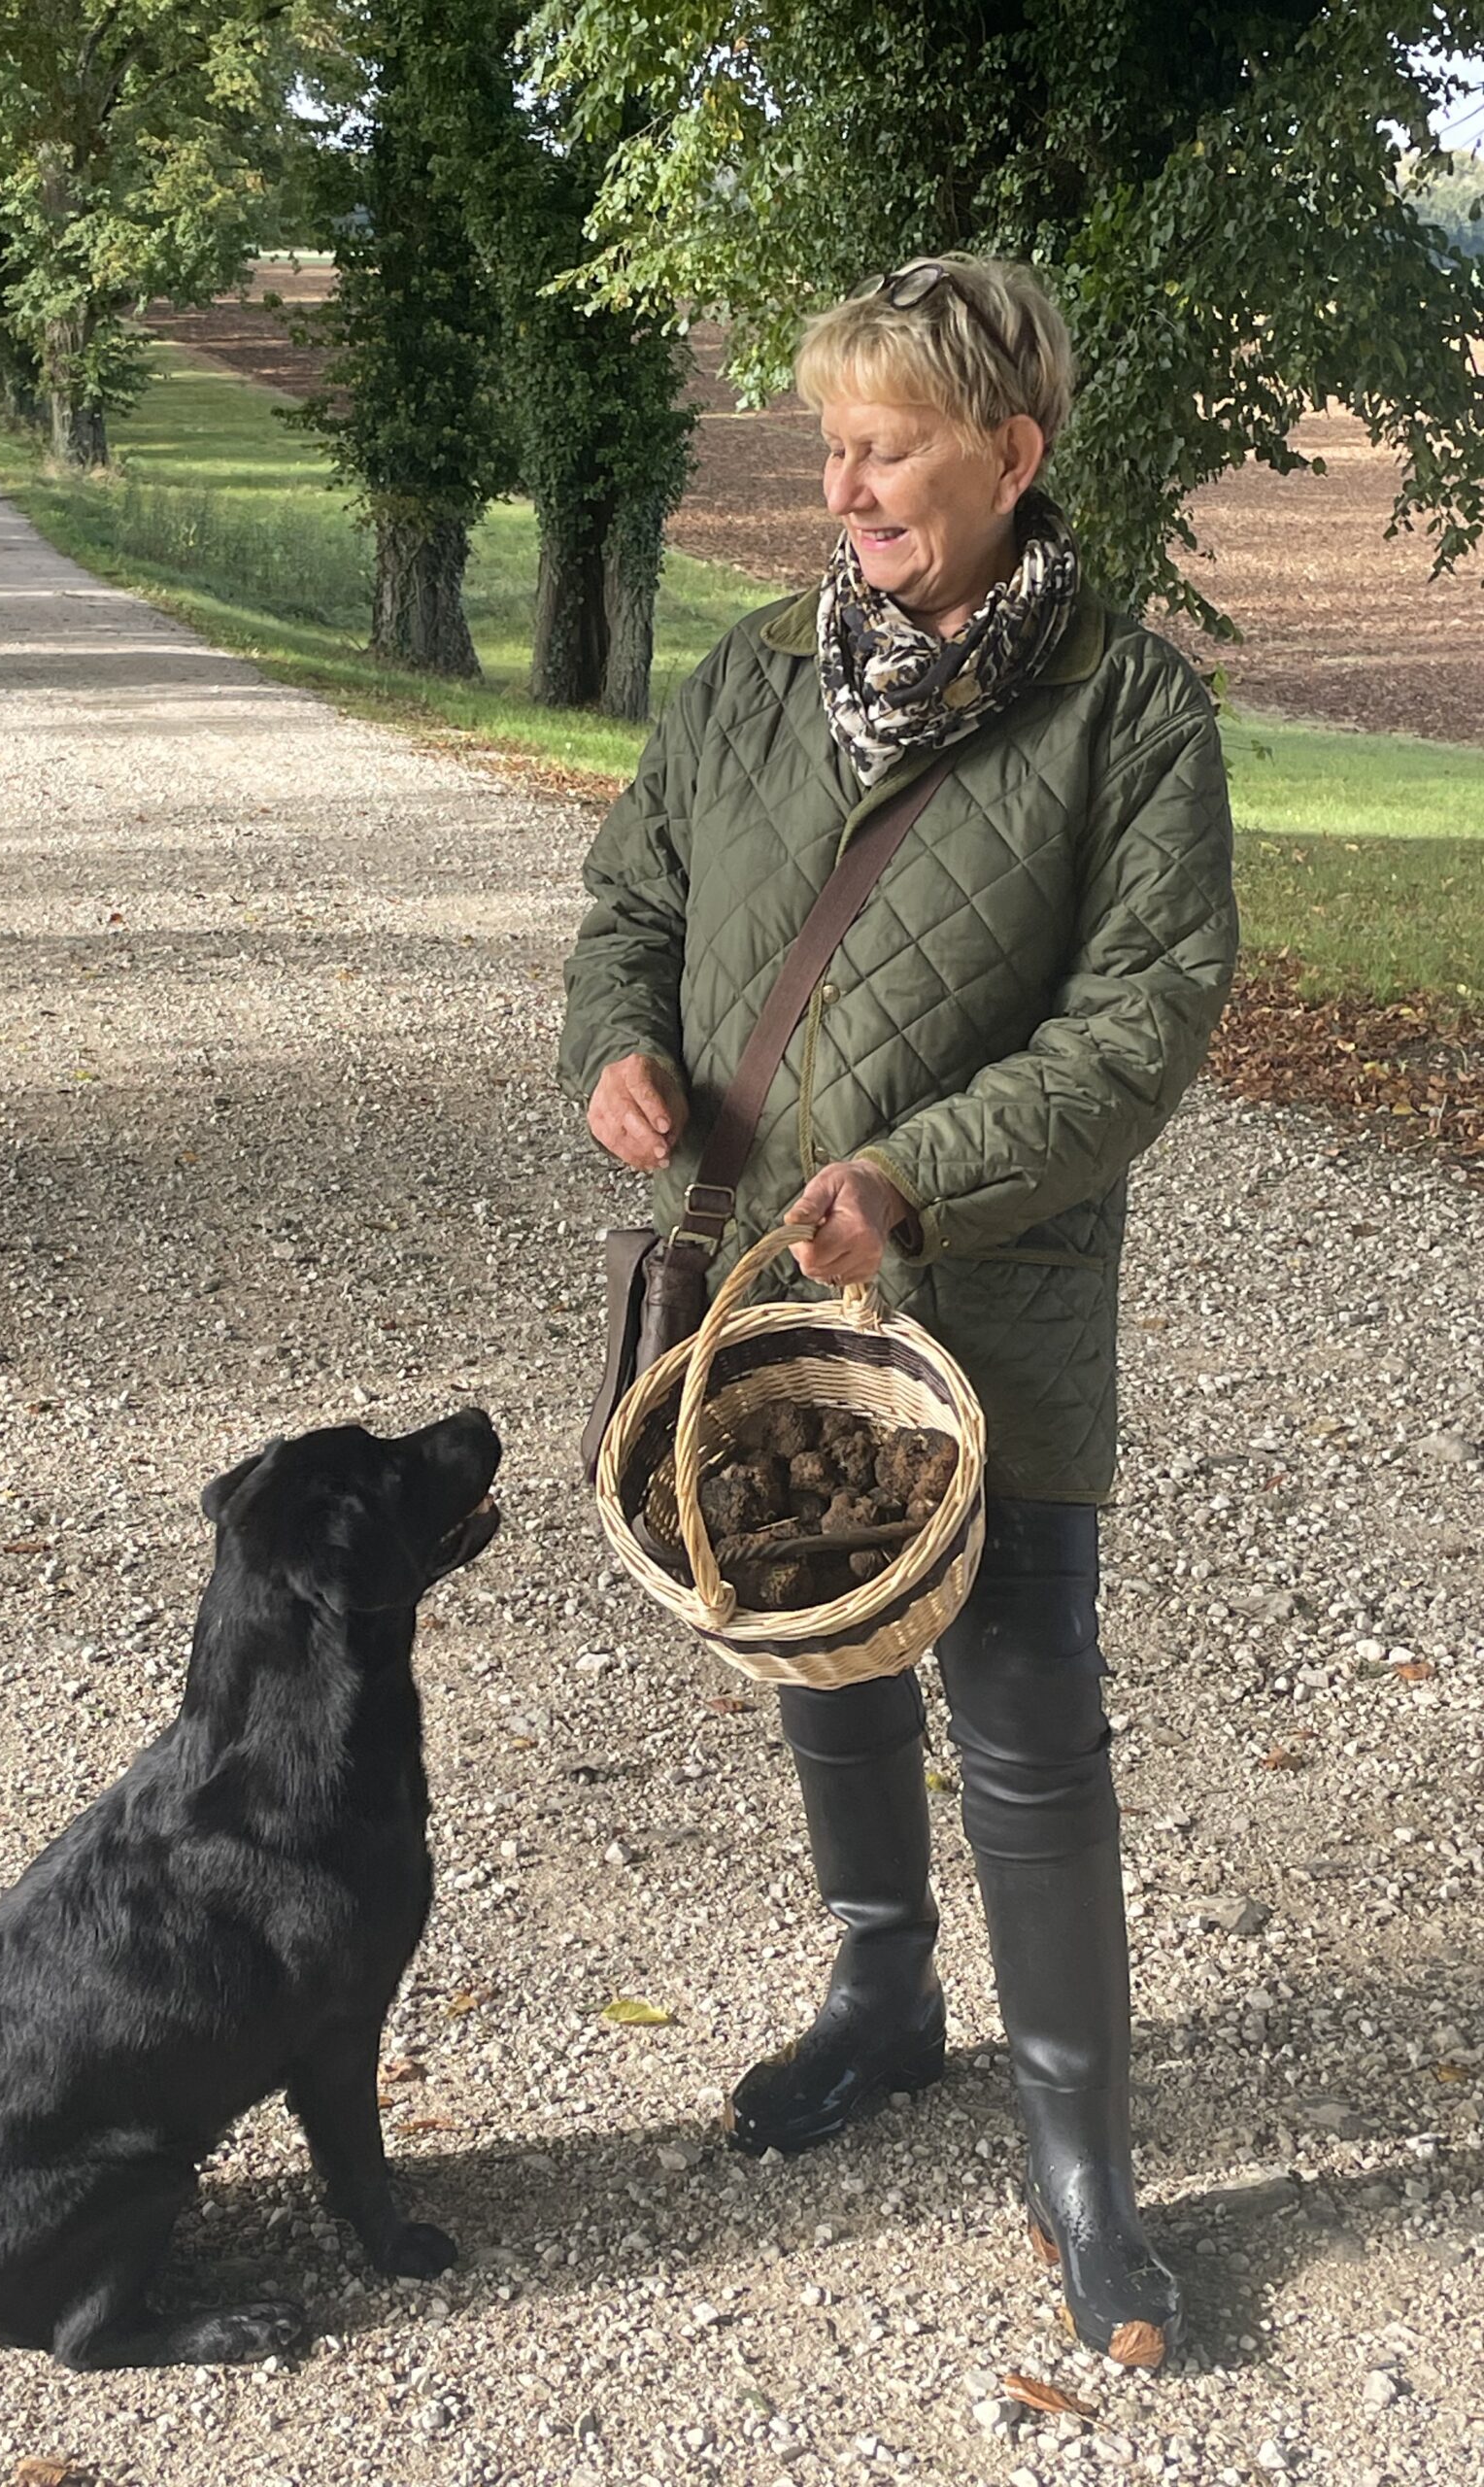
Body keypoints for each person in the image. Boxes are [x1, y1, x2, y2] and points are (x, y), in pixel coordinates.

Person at [559, 256, 1236, 2368]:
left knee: (1024, 1708)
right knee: (805, 1619)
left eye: (887, 446)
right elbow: (634, 902)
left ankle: (1083, 2161)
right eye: (829, 441)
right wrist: (617, 1045)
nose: (839, 483)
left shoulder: (1132, 709)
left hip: (990, 1295)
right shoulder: (751, 674)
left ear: (1012, 457)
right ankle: (881, 1984)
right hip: (750, 1262)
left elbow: (1148, 1011)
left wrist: (917, 1173)